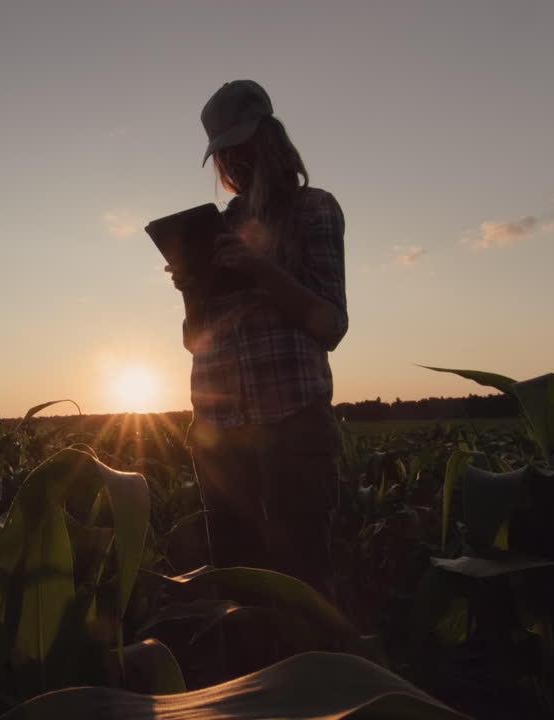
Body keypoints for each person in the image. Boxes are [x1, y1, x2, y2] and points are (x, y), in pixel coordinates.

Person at [166, 79, 348, 601]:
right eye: (225, 153)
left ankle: (314, 681)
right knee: (238, 593)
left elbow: (330, 325)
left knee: (302, 587)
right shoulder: (218, 227)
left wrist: (263, 271)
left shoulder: (315, 209)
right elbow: (196, 341)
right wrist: (189, 288)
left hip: (293, 426)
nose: (233, 163)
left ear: (268, 139)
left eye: (239, 147)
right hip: (221, 435)